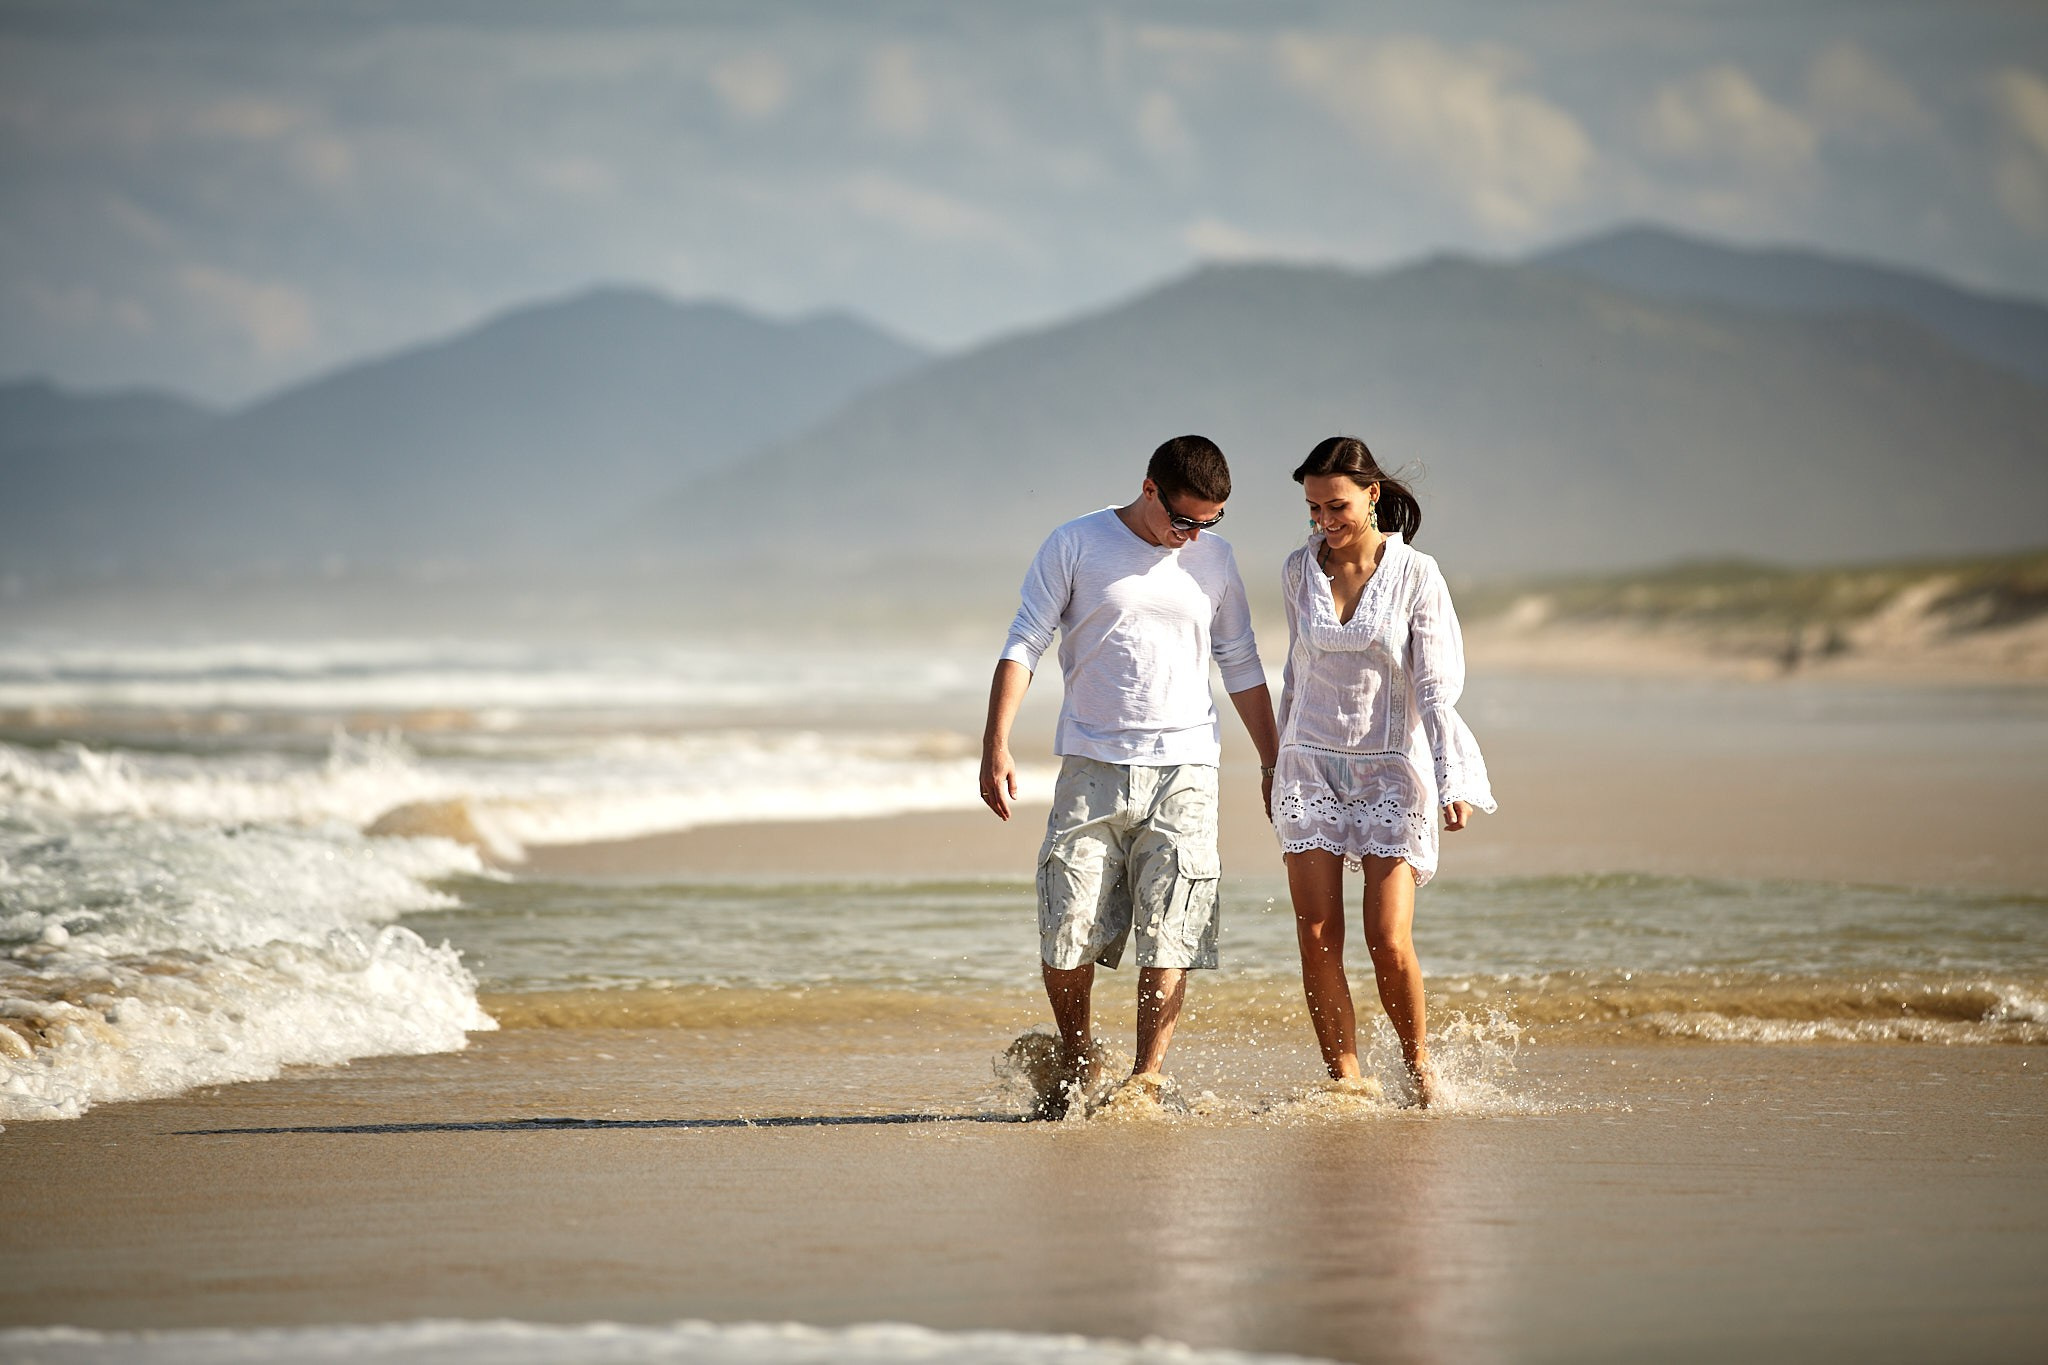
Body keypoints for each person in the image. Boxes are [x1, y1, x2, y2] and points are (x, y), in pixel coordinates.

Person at [980, 435, 1279, 1116]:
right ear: (1150, 489)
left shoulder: (1216, 561)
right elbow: (1025, 639)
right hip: (1092, 764)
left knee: (1172, 927)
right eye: (1183, 520)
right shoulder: (1076, 543)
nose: (1193, 536)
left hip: (1187, 769)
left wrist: (1272, 757)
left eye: (1210, 522)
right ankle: (1080, 1055)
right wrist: (995, 743)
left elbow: (1240, 662)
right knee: (1066, 926)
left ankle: (1144, 1078)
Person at [1272, 436, 1495, 1108]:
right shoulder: (1296, 569)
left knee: (1386, 939)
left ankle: (1418, 1066)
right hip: (1309, 764)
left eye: (1335, 505)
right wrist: (1273, 760)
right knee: (1316, 937)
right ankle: (1346, 1080)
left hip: (1391, 771)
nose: (1324, 520)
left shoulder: (1416, 573)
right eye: (1313, 508)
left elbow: (1435, 686)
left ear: (1372, 495)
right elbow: (1295, 673)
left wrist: (1451, 777)